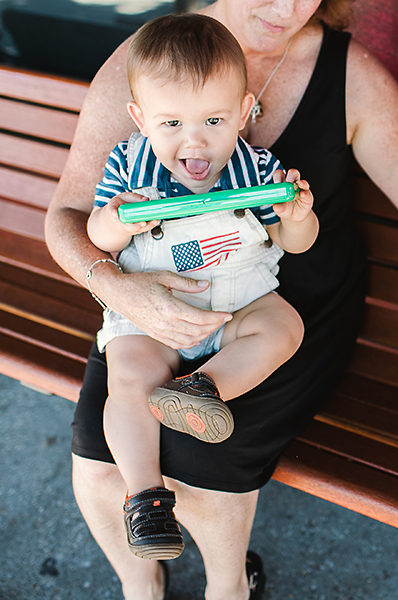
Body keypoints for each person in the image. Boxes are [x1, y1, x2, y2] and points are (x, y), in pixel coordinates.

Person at [45, 1, 398, 598]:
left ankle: (228, 586)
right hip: (151, 294)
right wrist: (114, 282)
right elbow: (72, 216)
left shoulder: (346, 80)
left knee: (206, 458)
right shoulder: (146, 60)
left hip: (279, 301)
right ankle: (141, 581)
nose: (286, 7)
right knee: (99, 459)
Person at [86, 14, 318, 562]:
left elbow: (299, 242)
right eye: (170, 124)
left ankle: (202, 389)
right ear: (141, 119)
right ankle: (145, 498)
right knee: (129, 376)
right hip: (155, 309)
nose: (194, 141)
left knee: (285, 326)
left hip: (238, 301)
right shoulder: (129, 164)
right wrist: (123, 220)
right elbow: (97, 234)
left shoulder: (257, 169)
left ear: (242, 111)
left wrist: (297, 213)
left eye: (214, 120)